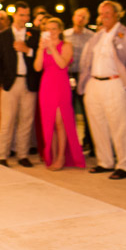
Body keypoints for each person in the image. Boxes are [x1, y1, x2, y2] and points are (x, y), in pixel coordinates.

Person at [78, 0, 126, 179]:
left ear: (116, 14)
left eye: (108, 13)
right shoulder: (96, 37)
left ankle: (125, 164)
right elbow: (86, 62)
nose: (104, 16)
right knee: (98, 125)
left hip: (115, 84)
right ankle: (104, 161)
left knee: (120, 125)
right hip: (94, 84)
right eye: (101, 13)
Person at [0, 1, 40, 167]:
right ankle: (2, 155)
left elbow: (40, 57)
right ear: (14, 15)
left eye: (27, 15)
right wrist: (2, 82)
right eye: (21, 15)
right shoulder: (4, 35)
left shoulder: (35, 34)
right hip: (10, 84)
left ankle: (22, 154)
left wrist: (28, 51)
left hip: (29, 83)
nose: (24, 18)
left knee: (26, 121)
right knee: (7, 121)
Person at [34, 17, 85, 170]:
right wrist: (40, 49)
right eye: (47, 29)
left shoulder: (66, 45)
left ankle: (61, 157)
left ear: (60, 30)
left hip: (60, 84)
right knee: (49, 122)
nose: (51, 31)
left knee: (60, 122)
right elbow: (37, 67)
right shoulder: (43, 46)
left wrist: (53, 48)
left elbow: (62, 64)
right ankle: (53, 154)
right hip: (46, 85)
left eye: (54, 28)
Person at [65, 7, 95, 153]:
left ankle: (89, 142)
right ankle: (70, 143)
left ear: (87, 20)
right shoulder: (65, 35)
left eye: (84, 17)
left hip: (85, 76)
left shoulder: (92, 36)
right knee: (68, 111)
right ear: (73, 17)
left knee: (87, 111)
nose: (80, 19)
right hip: (67, 76)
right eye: (78, 16)